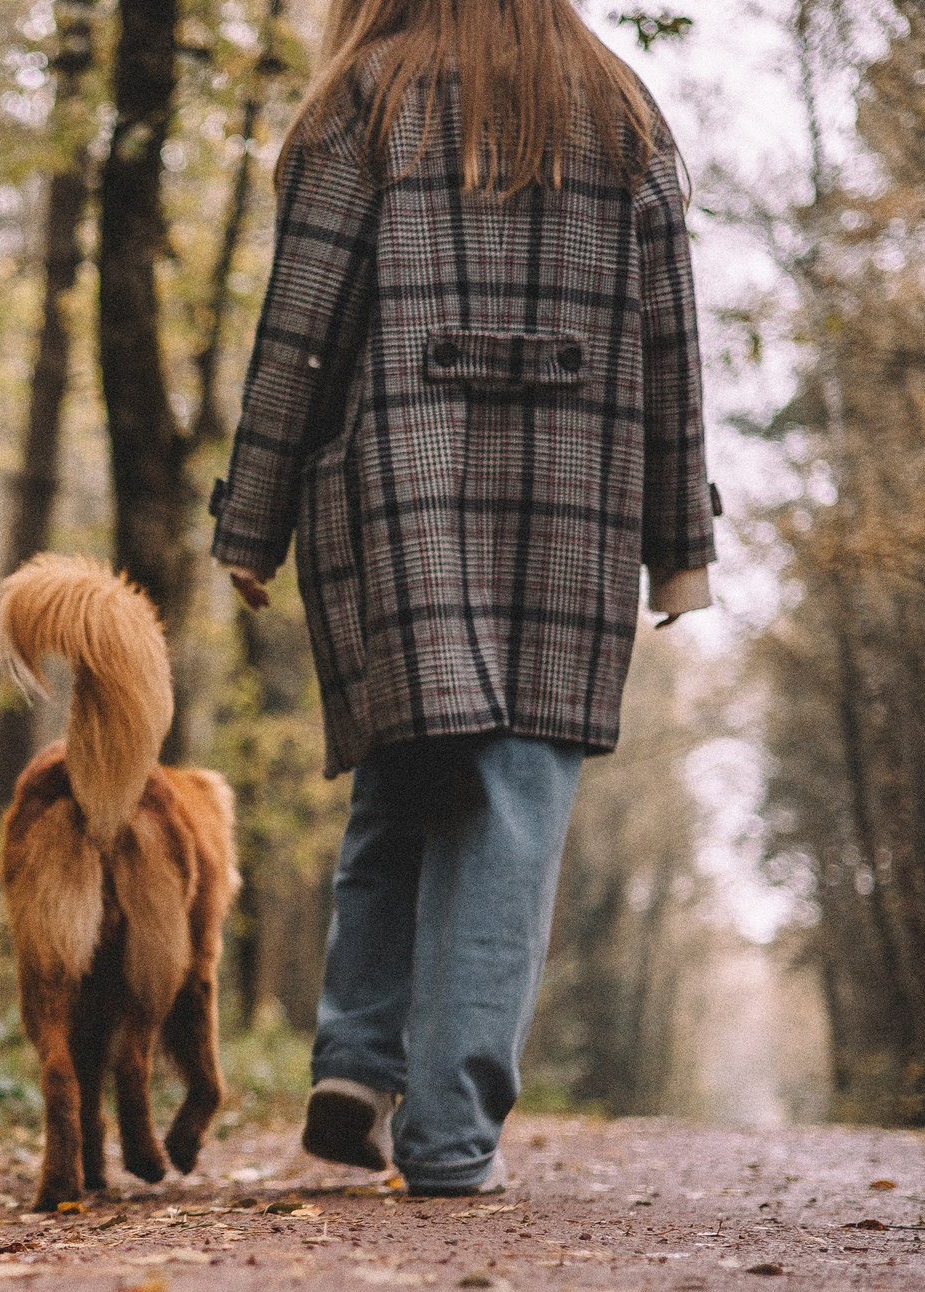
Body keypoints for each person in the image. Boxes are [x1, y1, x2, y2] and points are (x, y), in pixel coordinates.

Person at [209, 0, 716, 1195]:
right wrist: (678, 543)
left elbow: (300, 327)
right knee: (512, 808)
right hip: (574, 500)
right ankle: (448, 1135)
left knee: (401, 767)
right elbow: (670, 335)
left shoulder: (362, 99)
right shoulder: (619, 108)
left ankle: (355, 1056)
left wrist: (254, 517)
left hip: (400, 482)